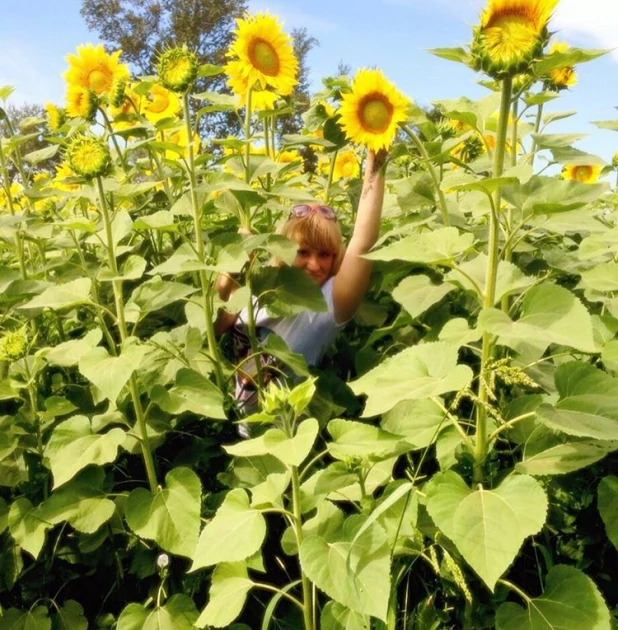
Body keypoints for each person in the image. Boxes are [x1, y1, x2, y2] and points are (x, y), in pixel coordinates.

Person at [215, 148, 387, 418]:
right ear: (283, 247)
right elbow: (215, 327)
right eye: (303, 252)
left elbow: (364, 239)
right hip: (229, 426)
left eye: (325, 254)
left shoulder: (331, 303)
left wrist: (375, 159)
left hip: (285, 434)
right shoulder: (258, 284)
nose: (315, 265)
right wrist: (231, 271)